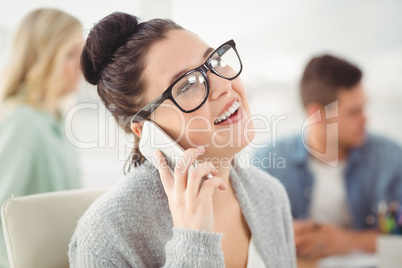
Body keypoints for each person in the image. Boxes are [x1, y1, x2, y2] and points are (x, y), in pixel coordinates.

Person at [68, 12, 296, 267]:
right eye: (187, 85)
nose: (223, 84)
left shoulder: (270, 196)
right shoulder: (107, 236)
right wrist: (193, 242)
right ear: (147, 130)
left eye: (216, 61)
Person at [253, 54, 402, 259]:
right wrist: (283, 236)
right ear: (316, 115)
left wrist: (345, 241)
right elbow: (249, 241)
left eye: (364, 107)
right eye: (353, 111)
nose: (365, 118)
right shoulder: (267, 163)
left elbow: (397, 241)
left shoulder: (391, 160)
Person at [0, 8, 83, 267]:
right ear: (43, 59)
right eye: (70, 54)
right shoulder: (23, 121)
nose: (80, 65)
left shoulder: (56, 118)